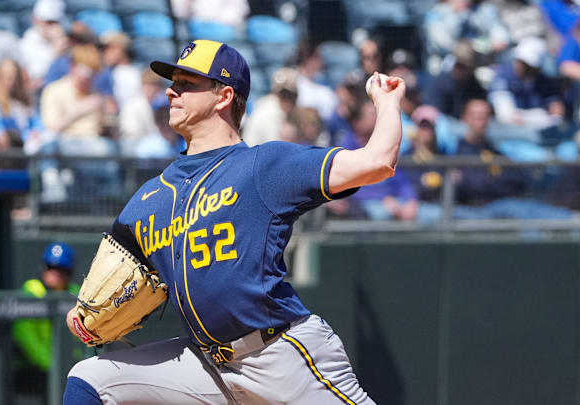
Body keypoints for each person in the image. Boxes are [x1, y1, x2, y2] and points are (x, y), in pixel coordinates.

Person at [63, 39, 405, 404]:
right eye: (172, 82)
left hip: (279, 355)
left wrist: (387, 103)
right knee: (91, 379)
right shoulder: (150, 198)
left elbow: (378, 160)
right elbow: (107, 283)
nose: (170, 91)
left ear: (223, 96)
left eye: (186, 84)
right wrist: (83, 315)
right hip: (207, 367)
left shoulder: (263, 166)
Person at [14, 242, 81, 372]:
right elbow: (24, 334)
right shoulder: (32, 290)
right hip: (34, 368)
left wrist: (75, 364)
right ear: (43, 268)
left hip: (71, 366)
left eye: (62, 269)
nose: (55, 273)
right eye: (51, 267)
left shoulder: (76, 293)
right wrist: (50, 363)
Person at [489, 37, 564, 130]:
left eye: (526, 64)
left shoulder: (545, 81)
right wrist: (540, 116)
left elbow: (557, 114)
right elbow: (506, 116)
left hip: (539, 136)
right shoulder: (503, 76)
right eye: (520, 61)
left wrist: (526, 117)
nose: (521, 66)